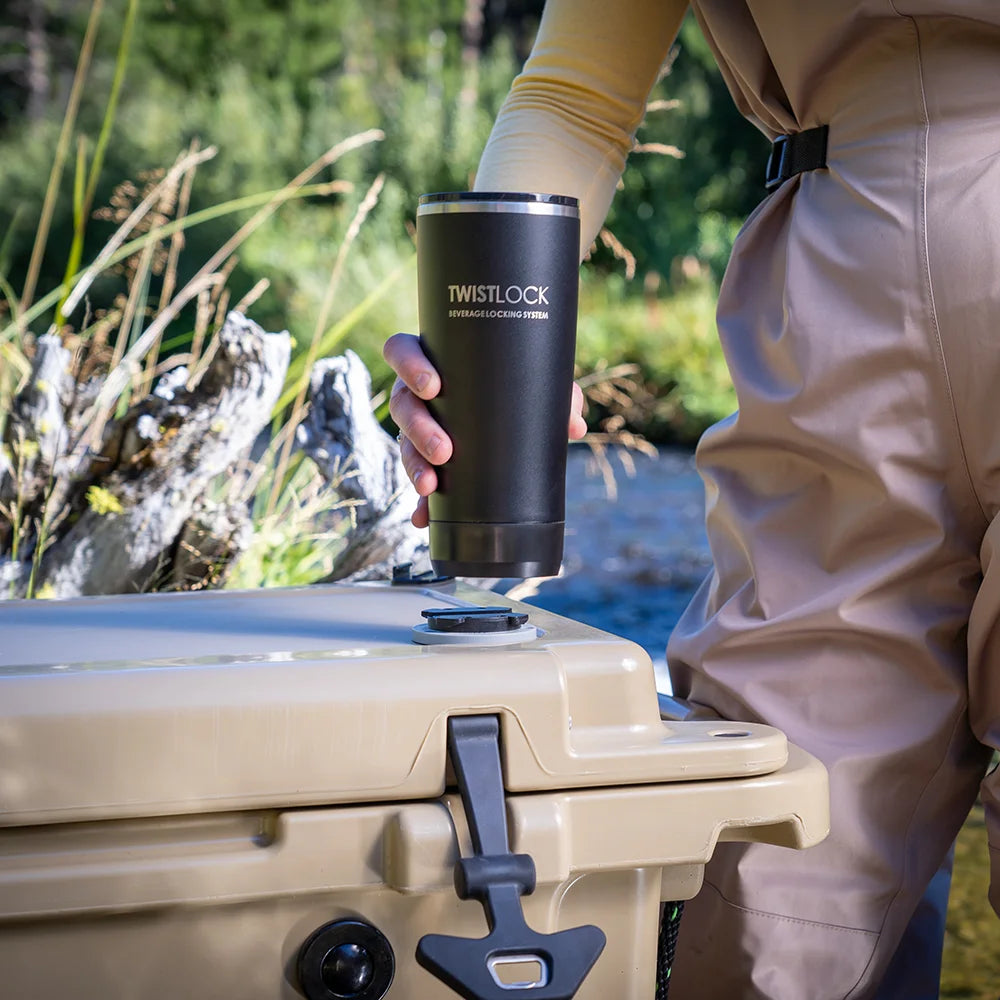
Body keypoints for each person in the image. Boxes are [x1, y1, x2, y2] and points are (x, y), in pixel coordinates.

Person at [383, 1, 1000, 996]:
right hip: (839, 291)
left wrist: (488, 326)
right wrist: (486, 340)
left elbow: (576, 99)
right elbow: (578, 97)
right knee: (769, 870)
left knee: (783, 887)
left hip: (844, 280)